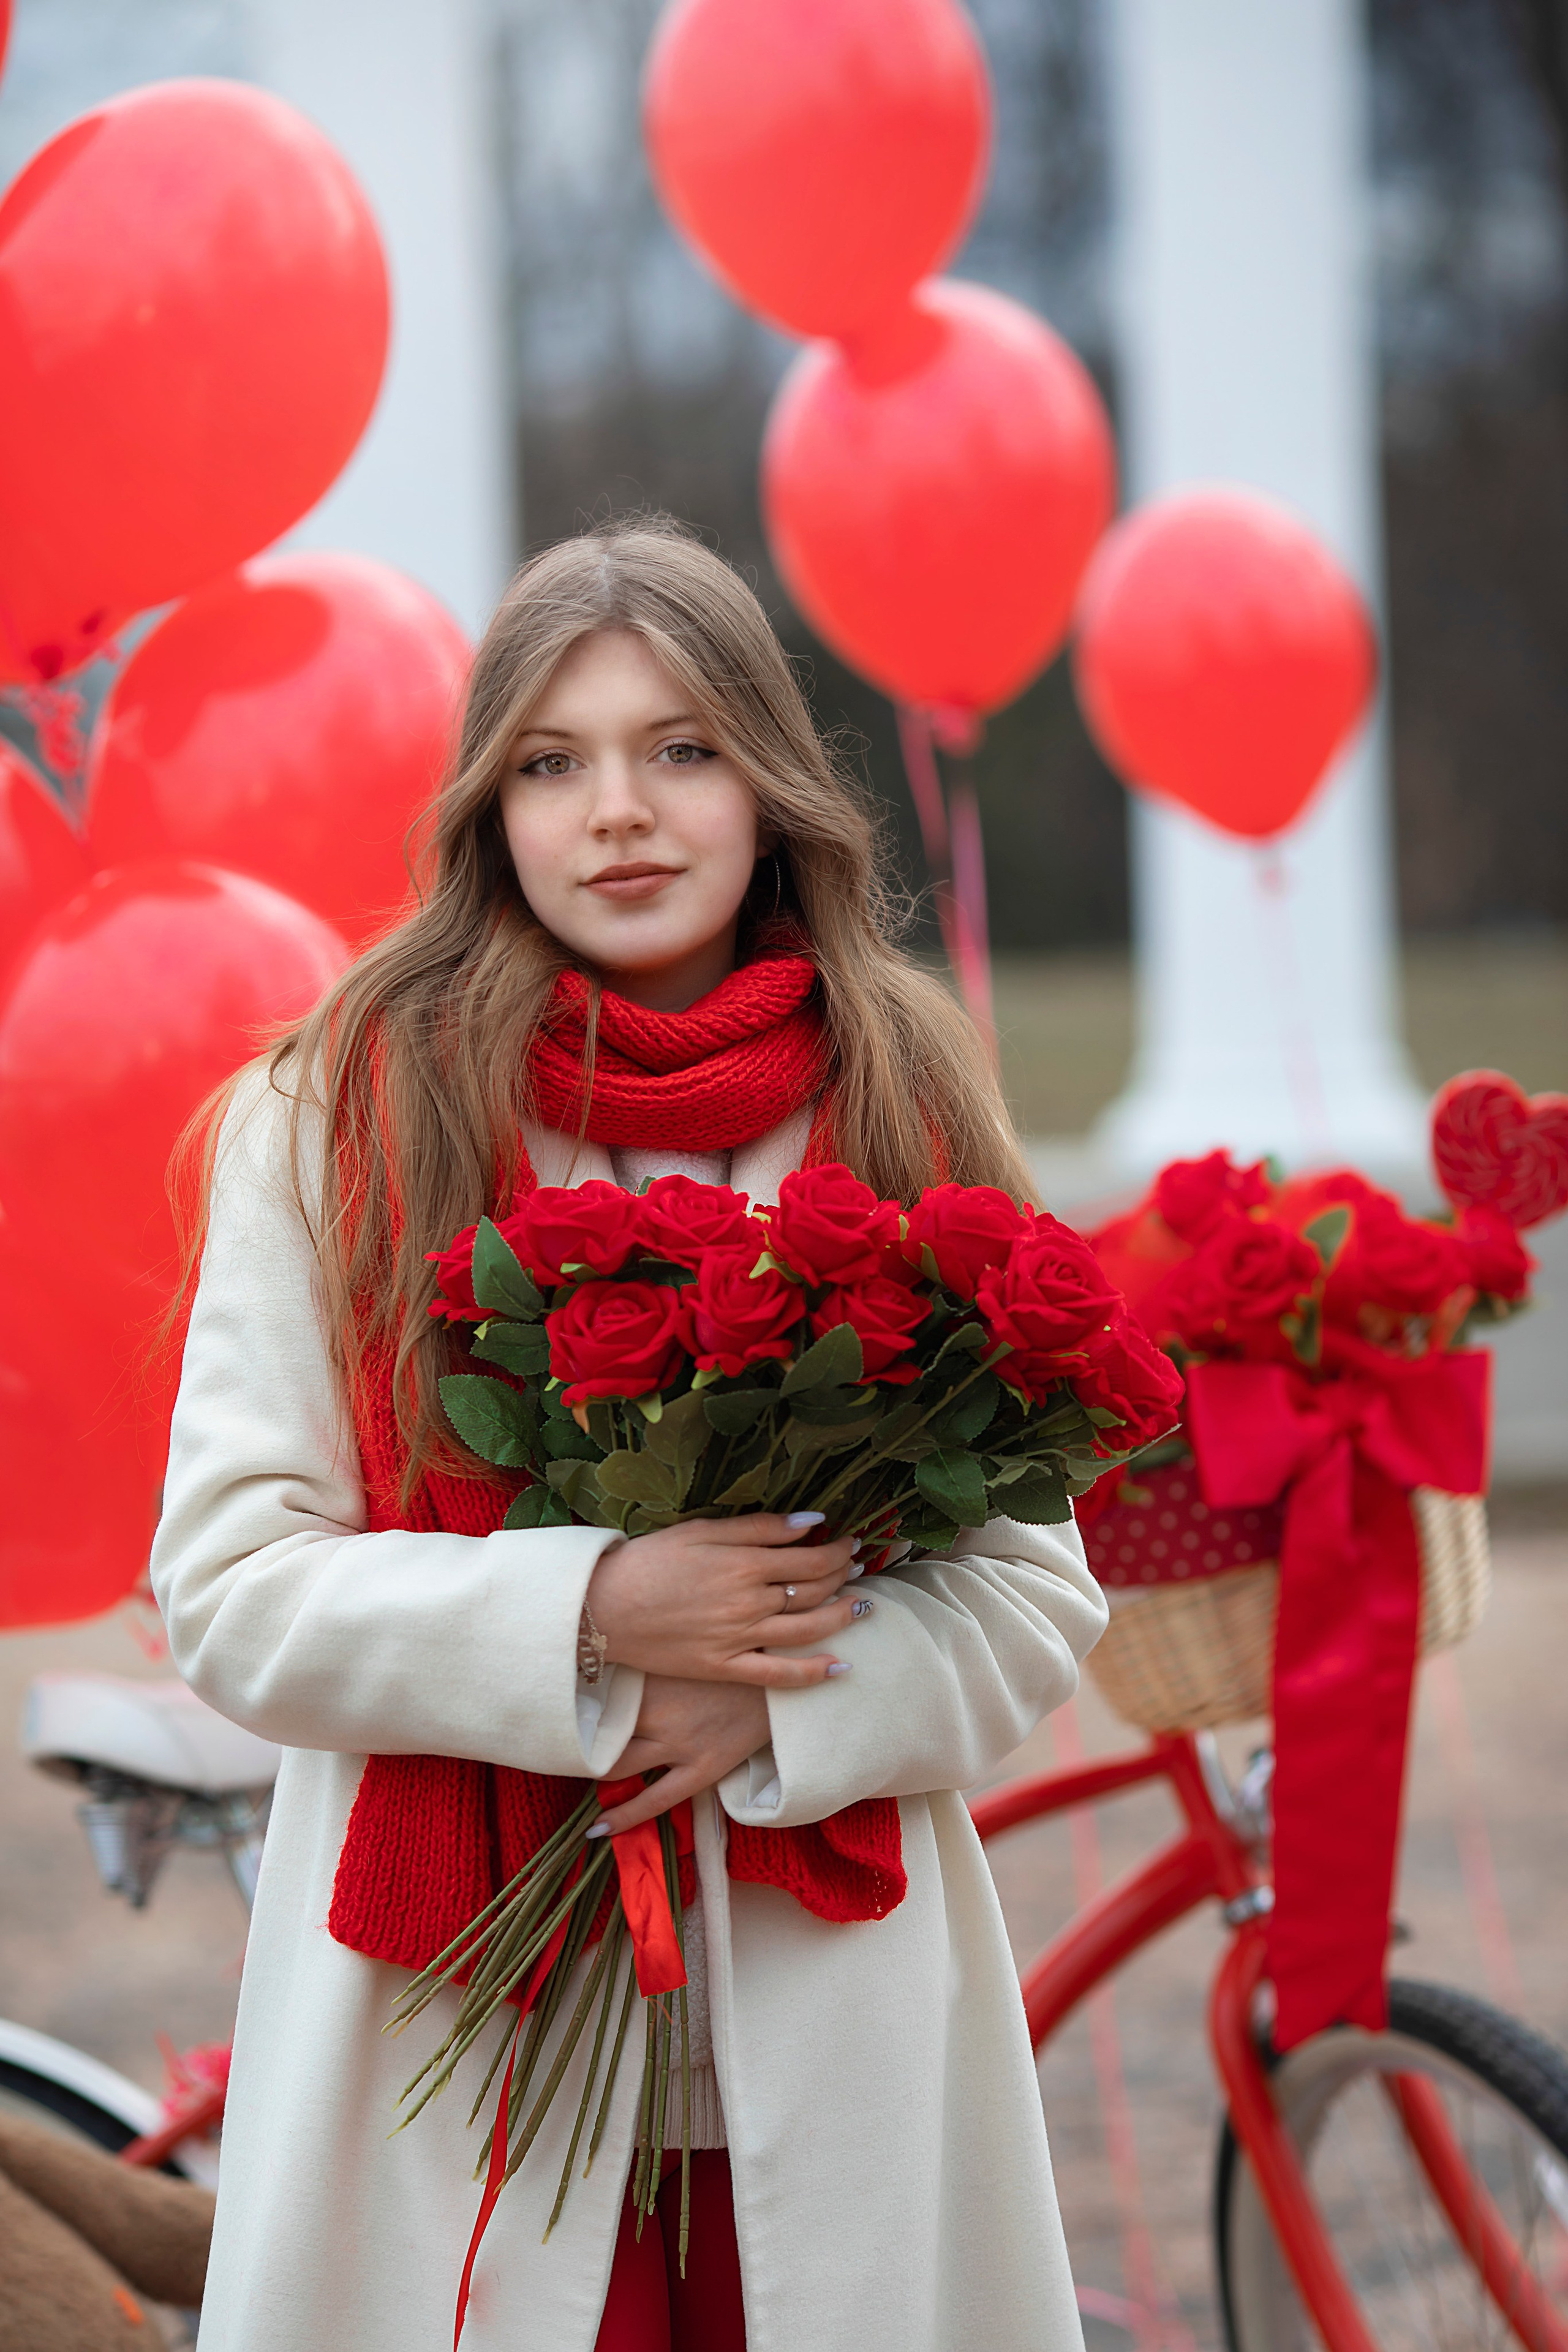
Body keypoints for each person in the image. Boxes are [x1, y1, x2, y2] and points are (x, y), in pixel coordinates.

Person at [151, 514, 1107, 2352]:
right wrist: (593, 1614)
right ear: (489, 809)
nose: (622, 813)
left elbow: (1032, 1594)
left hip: (833, 2059)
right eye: (553, 762)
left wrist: (775, 1695)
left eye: (681, 750)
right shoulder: (336, 1111)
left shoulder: (899, 1090)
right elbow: (232, 1587)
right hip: (452, 2067)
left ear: (767, 784)